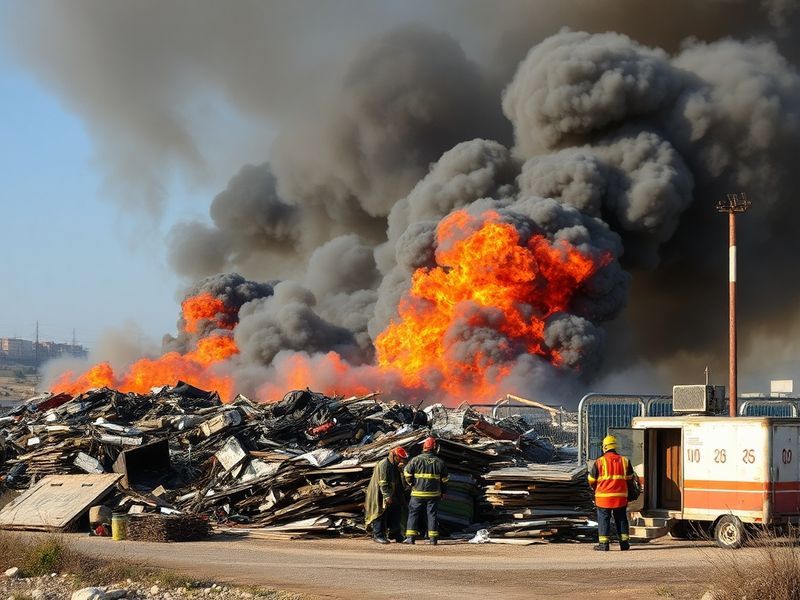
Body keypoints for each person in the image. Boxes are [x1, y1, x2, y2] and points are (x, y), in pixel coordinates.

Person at [588, 434, 635, 551]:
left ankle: (604, 544)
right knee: (621, 519)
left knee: (604, 519)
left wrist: (596, 488)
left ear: (604, 447)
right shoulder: (625, 461)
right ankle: (624, 544)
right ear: (615, 447)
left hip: (603, 498)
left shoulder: (599, 462)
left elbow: (591, 480)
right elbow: (630, 479)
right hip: (620, 497)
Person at [403, 436, 448, 545]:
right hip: (434, 494)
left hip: (417, 493)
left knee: (414, 514)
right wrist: (443, 492)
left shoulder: (416, 460)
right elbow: (445, 480)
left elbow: (407, 473)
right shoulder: (439, 462)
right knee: (432, 515)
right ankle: (433, 540)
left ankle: (410, 538)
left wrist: (412, 484)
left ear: (424, 447)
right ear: (435, 448)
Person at [365, 446, 409, 544]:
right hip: (380, 493)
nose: (401, 460)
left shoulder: (395, 465)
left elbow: (401, 482)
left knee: (396, 512)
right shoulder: (384, 464)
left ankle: (395, 534)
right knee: (380, 513)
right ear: (394, 456)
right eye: (400, 457)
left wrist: (401, 471)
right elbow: (383, 482)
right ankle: (378, 535)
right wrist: (387, 496)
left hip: (394, 493)